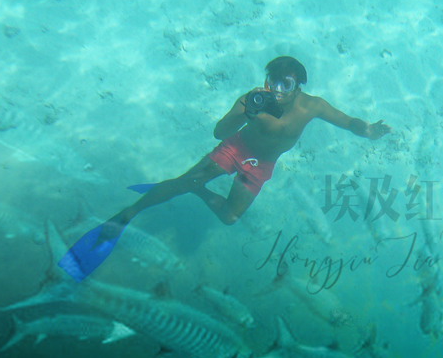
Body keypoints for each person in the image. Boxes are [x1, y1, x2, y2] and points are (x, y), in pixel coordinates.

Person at [59, 56, 391, 281]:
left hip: (262, 164)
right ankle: (127, 214)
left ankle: (197, 187)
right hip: (237, 148)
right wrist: (244, 114)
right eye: (272, 82)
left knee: (230, 217)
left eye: (285, 86)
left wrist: (368, 130)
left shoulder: (312, 106)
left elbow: (347, 121)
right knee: (185, 180)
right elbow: (219, 132)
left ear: (298, 87)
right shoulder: (253, 100)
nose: (276, 91)